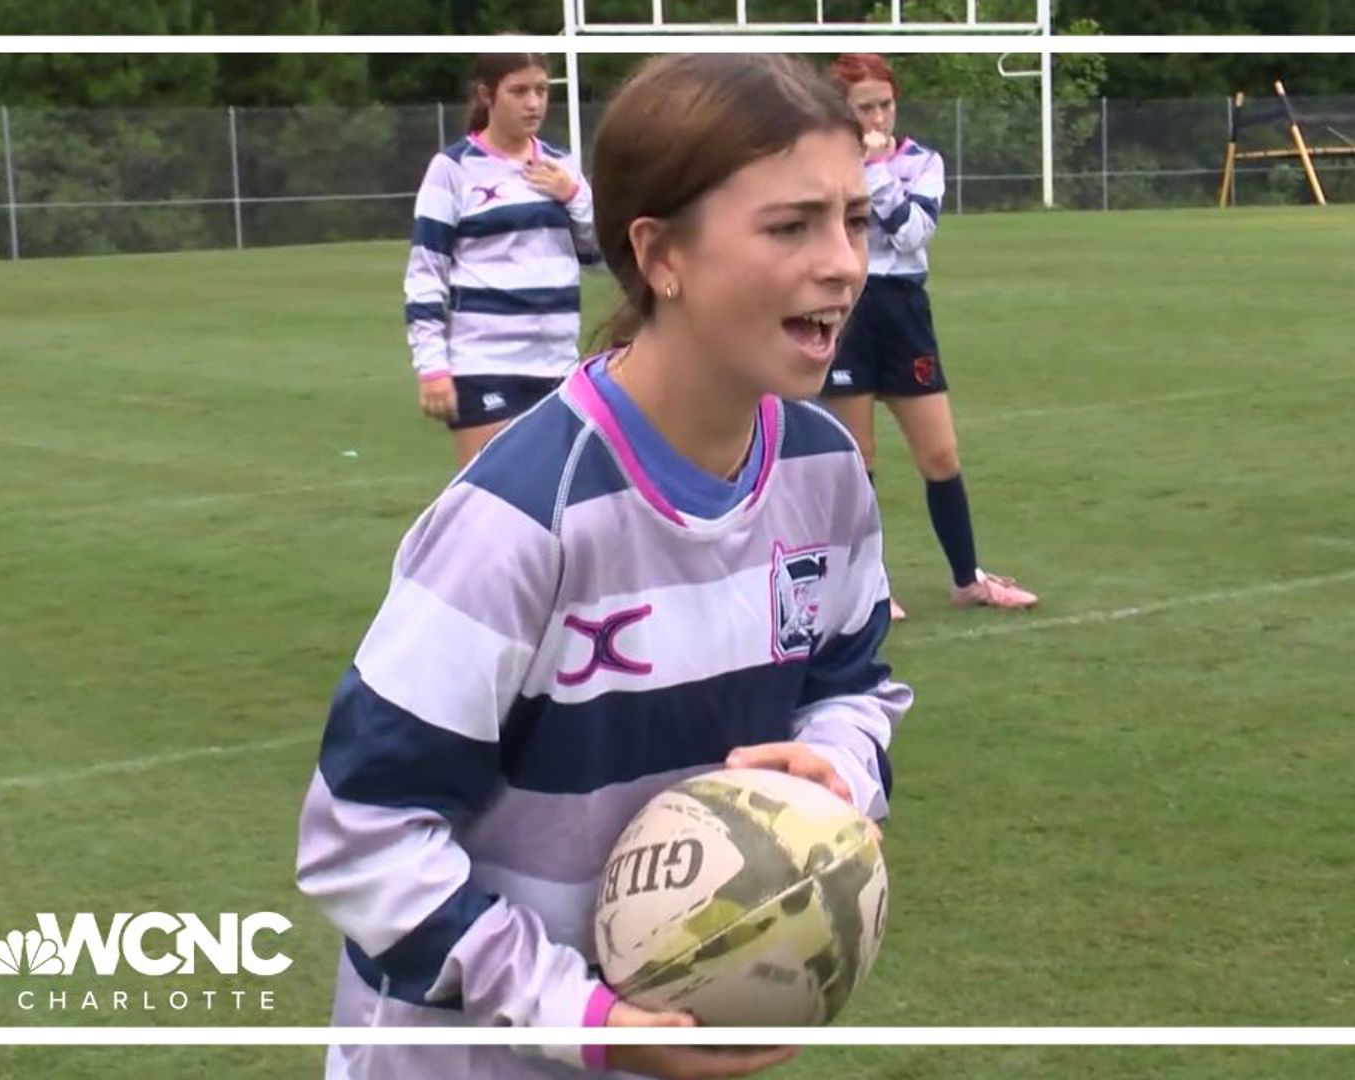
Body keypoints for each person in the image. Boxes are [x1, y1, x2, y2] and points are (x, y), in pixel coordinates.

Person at [300, 53, 908, 1079]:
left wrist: (833, 773)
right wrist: (577, 1015)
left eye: (855, 219)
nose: (844, 261)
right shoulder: (518, 517)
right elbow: (363, 839)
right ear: (659, 252)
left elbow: (854, 691)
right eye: (791, 224)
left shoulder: (826, 473)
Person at [819, 53, 1037, 618]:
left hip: (906, 313)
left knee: (940, 454)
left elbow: (913, 233)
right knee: (856, 457)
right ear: (843, 112)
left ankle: (968, 578)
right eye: (864, 107)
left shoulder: (921, 162)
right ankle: (866, 586)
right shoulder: (825, 165)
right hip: (850, 312)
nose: (878, 116)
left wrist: (875, 173)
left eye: (885, 104)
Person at [405, 52, 601, 468]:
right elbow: (426, 272)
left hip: (557, 366)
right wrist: (433, 368)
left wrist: (574, 195)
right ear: (486, 95)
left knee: (556, 511)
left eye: (542, 90)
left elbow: (599, 255)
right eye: (519, 91)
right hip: (485, 366)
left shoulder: (560, 164)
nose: (534, 103)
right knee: (491, 512)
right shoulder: (453, 169)